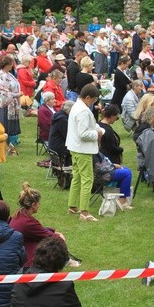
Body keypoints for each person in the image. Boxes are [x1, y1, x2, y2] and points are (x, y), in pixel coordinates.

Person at [66, 84, 103, 222]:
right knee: (87, 179)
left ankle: (73, 206)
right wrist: (97, 133)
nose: (93, 103)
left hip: (74, 147)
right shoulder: (83, 110)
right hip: (82, 149)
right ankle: (85, 212)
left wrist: (96, 128)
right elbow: (83, 133)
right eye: (93, 100)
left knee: (77, 177)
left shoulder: (76, 106)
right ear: (87, 97)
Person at [10, 183, 68, 268]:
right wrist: (60, 237)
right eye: (38, 203)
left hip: (17, 250)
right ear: (33, 205)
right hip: (23, 259)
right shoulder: (27, 222)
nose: (39, 205)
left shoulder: (20, 214)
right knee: (54, 244)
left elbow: (39, 230)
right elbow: (51, 237)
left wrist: (52, 230)